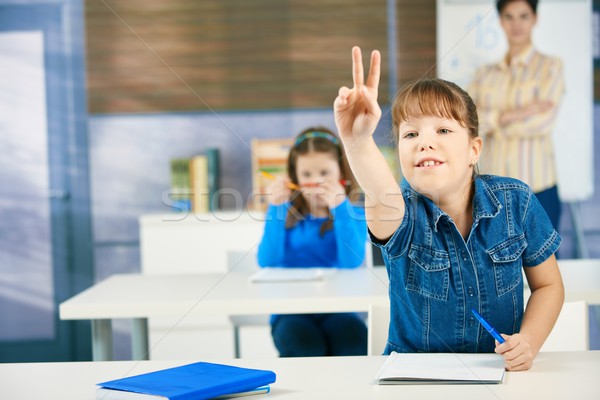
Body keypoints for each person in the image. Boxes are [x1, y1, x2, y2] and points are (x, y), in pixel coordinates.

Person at [333, 46, 564, 371]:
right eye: (410, 134)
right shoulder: (401, 212)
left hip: (497, 375)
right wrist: (357, 139)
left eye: (442, 130)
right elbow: (378, 188)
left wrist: (528, 341)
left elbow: (549, 285)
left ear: (474, 149)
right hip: (414, 380)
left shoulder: (517, 201)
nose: (425, 141)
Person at [256, 126, 368, 357]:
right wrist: (275, 209)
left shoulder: (354, 213)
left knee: (353, 343)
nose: (315, 182)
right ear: (295, 177)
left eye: (324, 173)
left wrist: (340, 208)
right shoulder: (284, 213)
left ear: (341, 174)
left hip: (341, 309)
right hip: (290, 311)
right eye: (306, 175)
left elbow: (351, 263)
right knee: (305, 347)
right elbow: (267, 260)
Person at [468, 0, 565, 232]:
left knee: (544, 265)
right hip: (493, 190)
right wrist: (514, 115)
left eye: (523, 16)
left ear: (535, 18)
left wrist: (491, 121)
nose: (517, 24)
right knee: (495, 265)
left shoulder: (550, 67)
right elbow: (468, 122)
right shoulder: (484, 74)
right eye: (509, 17)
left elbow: (542, 124)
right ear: (501, 21)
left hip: (539, 188)